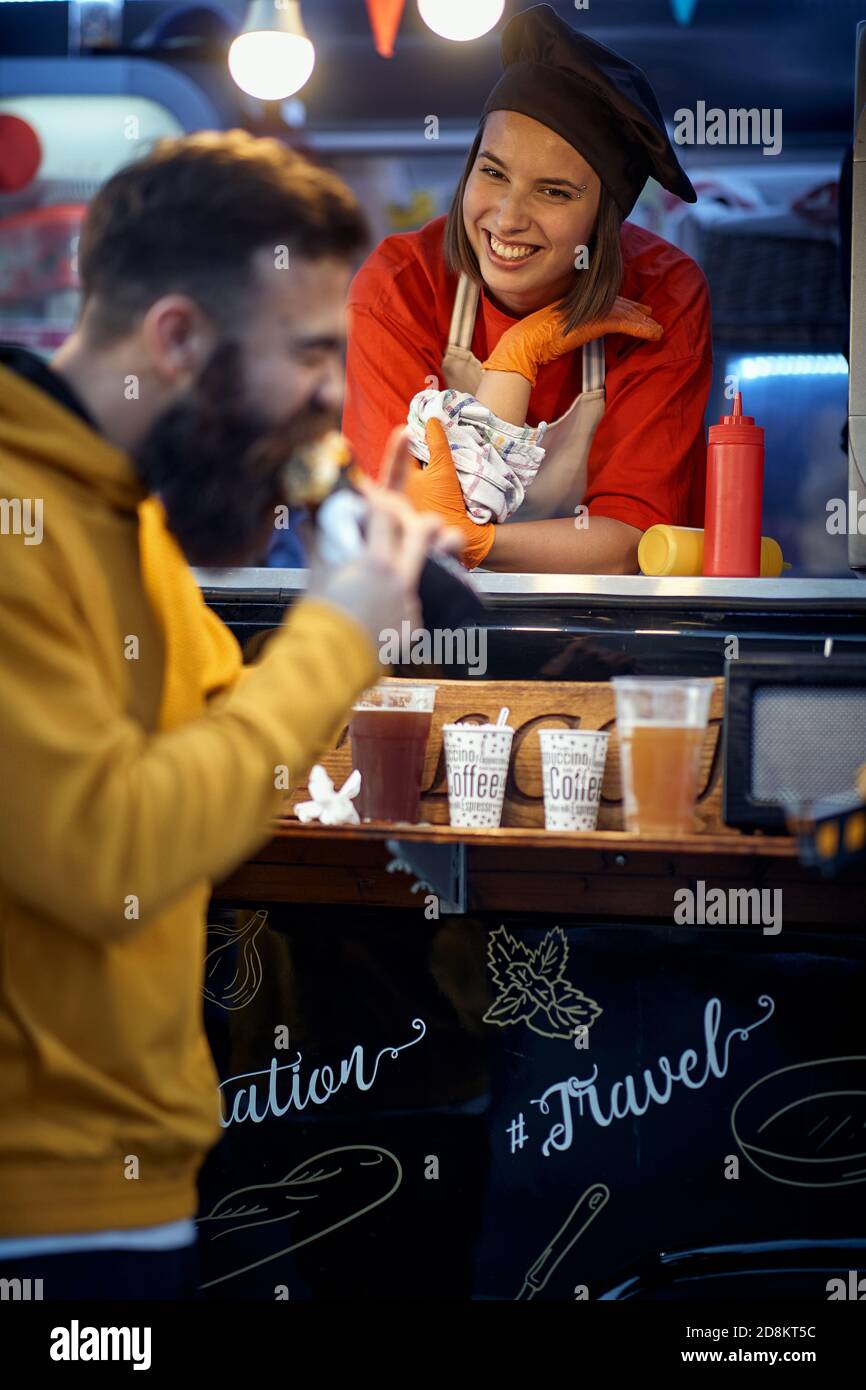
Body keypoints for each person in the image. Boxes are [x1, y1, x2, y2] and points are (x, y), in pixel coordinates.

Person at [0, 130, 454, 1300]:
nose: (328, 397)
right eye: (308, 353)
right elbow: (114, 853)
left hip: (133, 1186)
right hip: (37, 1211)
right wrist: (336, 632)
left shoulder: (121, 517)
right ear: (178, 342)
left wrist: (356, 613)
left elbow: (219, 773)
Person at [344, 3, 713, 574]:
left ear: (605, 219)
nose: (508, 218)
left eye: (555, 192)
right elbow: (407, 522)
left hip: (606, 630)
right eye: (493, 173)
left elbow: (634, 543)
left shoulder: (665, 294)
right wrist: (520, 355)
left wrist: (483, 545)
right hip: (423, 620)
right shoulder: (403, 285)